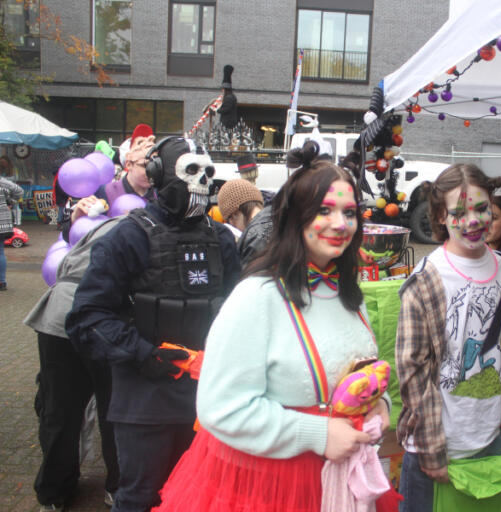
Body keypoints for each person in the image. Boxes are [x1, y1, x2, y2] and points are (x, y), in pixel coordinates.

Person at [152, 141, 389, 512]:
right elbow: (221, 407)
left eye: (350, 212)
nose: (341, 224)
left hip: (338, 481)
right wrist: (318, 433)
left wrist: (380, 406)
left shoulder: (348, 296)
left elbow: (358, 372)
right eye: (324, 210)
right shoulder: (256, 298)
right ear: (295, 218)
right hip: (267, 486)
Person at [65, 137, 241, 512]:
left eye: (208, 174)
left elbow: (243, 311)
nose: (202, 183)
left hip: (211, 401)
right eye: (191, 172)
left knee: (209, 498)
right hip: (146, 404)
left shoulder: (222, 238)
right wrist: (146, 354)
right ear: (160, 175)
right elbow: (87, 318)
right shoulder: (128, 236)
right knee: (142, 498)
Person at [395, 163, 501, 512]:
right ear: (441, 216)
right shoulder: (426, 280)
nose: (473, 220)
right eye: (459, 212)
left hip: (492, 442)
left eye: (482, 208)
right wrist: (431, 447)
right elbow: (413, 370)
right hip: (435, 452)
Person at [25, 218, 123, 511]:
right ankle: (117, 487)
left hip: (59, 315)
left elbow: (69, 254)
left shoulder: (112, 222)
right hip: (98, 316)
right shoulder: (148, 227)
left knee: (59, 411)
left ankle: (54, 491)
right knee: (114, 410)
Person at [63, 130, 156, 243]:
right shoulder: (105, 192)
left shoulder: (161, 195)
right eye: (144, 165)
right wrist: (76, 217)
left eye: (154, 166)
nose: (150, 171)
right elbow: (69, 237)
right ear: (128, 164)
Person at [215, 178, 268, 258]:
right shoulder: (277, 220)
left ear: (235, 214)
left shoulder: (254, 241)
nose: (232, 225)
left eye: (229, 219)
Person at [0, 173, 24, 291]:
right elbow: (19, 191)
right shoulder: (3, 182)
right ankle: (1, 282)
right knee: (0, 252)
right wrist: (10, 202)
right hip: (2, 222)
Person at [214, 65, 237, 129]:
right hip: (228, 122)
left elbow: (226, 109)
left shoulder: (229, 98)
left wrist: (217, 110)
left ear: (225, 89)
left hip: (228, 123)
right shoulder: (231, 97)